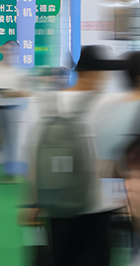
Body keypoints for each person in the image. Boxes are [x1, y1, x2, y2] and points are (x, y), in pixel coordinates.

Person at [20, 45, 120, 266]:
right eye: (105, 72)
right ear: (95, 73)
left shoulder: (42, 103)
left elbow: (31, 156)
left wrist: (32, 202)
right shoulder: (108, 104)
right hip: (97, 206)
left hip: (56, 204)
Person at [0, 40, 30, 182]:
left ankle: (11, 172)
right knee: (0, 142)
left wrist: (14, 94)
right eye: (6, 50)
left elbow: (27, 92)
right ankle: (1, 172)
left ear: (17, 52)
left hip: (16, 111)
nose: (8, 53)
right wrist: (8, 94)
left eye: (12, 50)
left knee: (14, 142)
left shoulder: (21, 72)